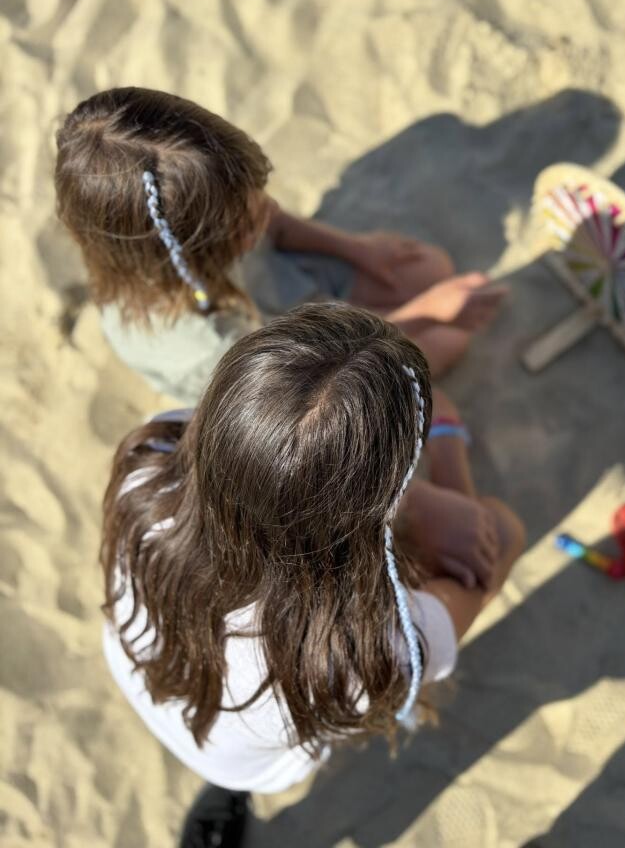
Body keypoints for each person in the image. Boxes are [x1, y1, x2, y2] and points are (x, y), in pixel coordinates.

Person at [101, 303, 525, 846]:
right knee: (506, 530)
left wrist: (411, 504)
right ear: (381, 501)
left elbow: (283, 462)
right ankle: (232, 789)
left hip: (147, 677)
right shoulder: (364, 650)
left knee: (231, 749)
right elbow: (481, 567)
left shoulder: (147, 462)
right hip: (250, 756)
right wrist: (445, 457)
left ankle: (226, 797)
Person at [55, 87, 507, 402]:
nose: (266, 211)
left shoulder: (199, 214)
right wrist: (424, 313)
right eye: (248, 222)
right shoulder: (205, 347)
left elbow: (275, 221)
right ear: (199, 253)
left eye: (259, 197)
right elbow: (311, 375)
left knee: (431, 269)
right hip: (291, 372)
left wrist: (358, 249)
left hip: (288, 286)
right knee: (449, 340)